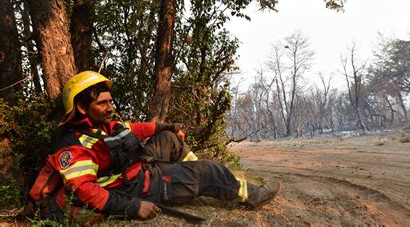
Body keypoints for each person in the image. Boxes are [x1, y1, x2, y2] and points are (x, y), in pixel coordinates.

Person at [33, 71, 280, 222]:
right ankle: (250, 195)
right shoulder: (74, 145)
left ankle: (192, 180)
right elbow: (85, 190)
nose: (110, 108)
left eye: (110, 102)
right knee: (210, 171)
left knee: (170, 139)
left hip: (137, 170)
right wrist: (134, 207)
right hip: (137, 188)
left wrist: (168, 126)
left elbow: (136, 129)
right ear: (81, 107)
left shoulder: (100, 125)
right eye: (102, 103)